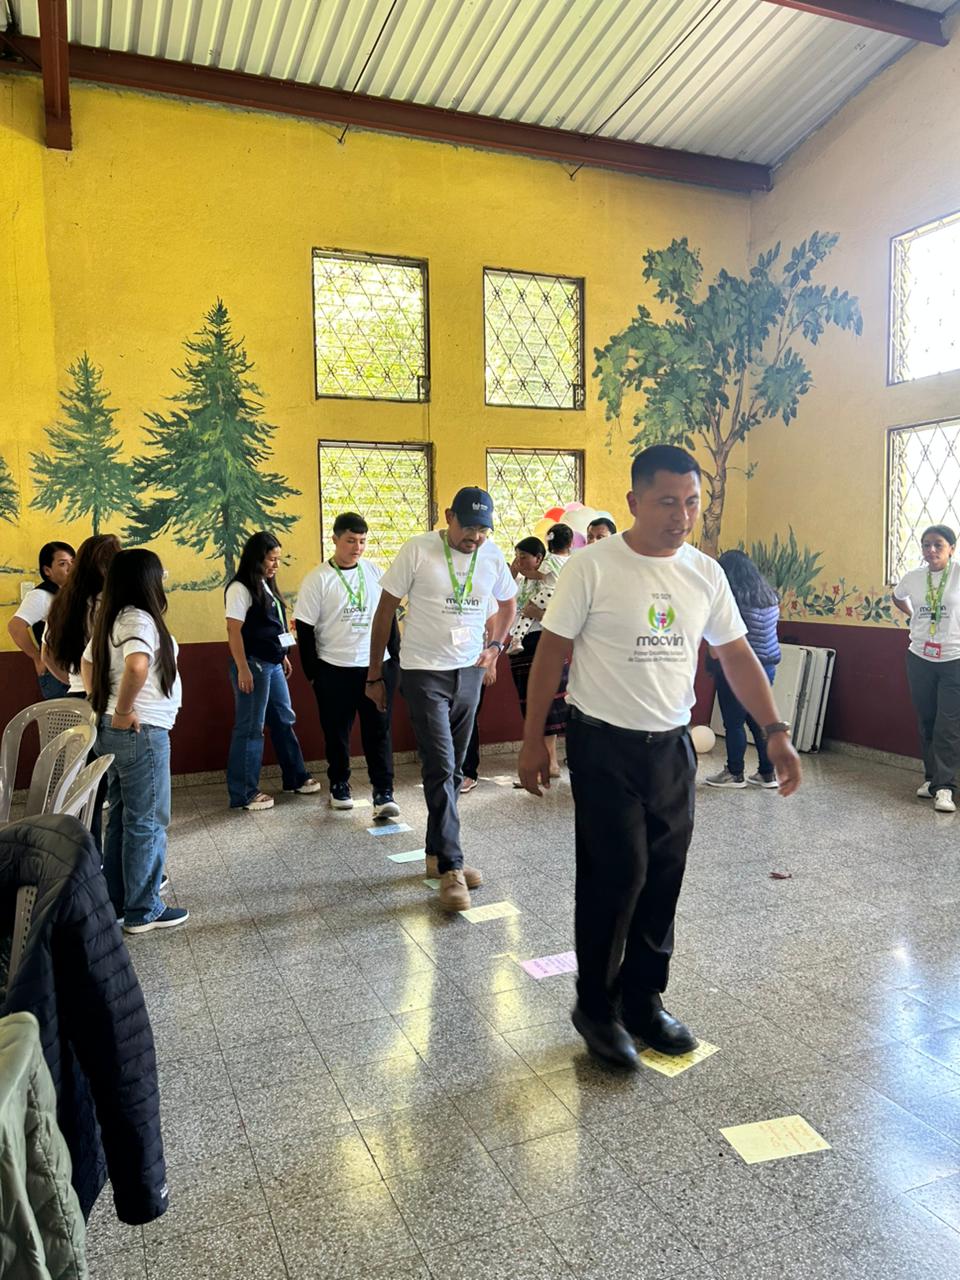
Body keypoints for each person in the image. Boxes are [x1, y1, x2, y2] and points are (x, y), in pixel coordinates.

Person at [518, 445, 802, 1070]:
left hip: (672, 747)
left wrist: (774, 730)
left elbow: (736, 655)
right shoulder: (592, 567)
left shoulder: (705, 573)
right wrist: (533, 736)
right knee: (616, 873)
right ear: (634, 502)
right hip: (603, 743)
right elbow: (551, 652)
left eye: (692, 502)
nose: (682, 516)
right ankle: (595, 1006)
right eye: (668, 501)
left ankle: (643, 1000)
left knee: (664, 874)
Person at [366, 488, 517, 911]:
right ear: (449, 516)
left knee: (453, 771)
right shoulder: (417, 550)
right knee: (440, 764)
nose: (475, 537)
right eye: (468, 527)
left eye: (483, 529)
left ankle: (436, 854)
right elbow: (385, 611)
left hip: (469, 672)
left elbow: (508, 605)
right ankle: (453, 867)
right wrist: (375, 673)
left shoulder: (491, 555)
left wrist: (496, 647)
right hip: (422, 671)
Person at [83, 549, 187, 934]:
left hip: (117, 731)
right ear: (146, 581)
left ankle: (118, 901)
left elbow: (87, 662)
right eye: (160, 575)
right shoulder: (138, 618)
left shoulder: (113, 618)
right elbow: (137, 665)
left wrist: (102, 702)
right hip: (140, 734)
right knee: (148, 819)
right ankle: (144, 908)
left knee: (124, 816)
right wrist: (123, 709)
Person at [294, 512, 399, 819]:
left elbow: (388, 617)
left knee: (379, 731)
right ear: (335, 539)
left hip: (375, 668)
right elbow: (305, 630)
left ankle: (383, 792)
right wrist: (314, 675)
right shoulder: (318, 579)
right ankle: (339, 784)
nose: (358, 547)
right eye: (351, 540)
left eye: (362, 541)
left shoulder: (374, 572)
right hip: (334, 669)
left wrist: (395, 659)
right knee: (337, 732)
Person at [225, 532, 321, 811]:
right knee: (251, 727)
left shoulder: (266, 585)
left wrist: (283, 656)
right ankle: (244, 793)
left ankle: (295, 777)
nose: (276, 565)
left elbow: (273, 626)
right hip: (253, 664)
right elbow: (233, 631)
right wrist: (243, 668)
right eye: (271, 559)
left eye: (278, 559)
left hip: (273, 662)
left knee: (283, 718)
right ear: (256, 559)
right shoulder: (239, 588)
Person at [893, 524, 960, 813]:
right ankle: (932, 779)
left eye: (938, 545)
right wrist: (912, 615)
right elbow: (897, 596)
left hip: (954, 659)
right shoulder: (913, 577)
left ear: (951, 549)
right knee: (927, 721)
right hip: (919, 657)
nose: (931, 550)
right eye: (926, 544)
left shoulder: (957, 574)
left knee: (948, 725)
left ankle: (946, 787)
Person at [705, 550, 782, 789]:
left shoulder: (731, 600)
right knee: (758, 720)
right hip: (767, 666)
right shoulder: (769, 597)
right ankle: (767, 774)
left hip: (737, 668)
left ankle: (734, 773)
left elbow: (716, 649)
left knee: (734, 722)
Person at [507, 537, 567, 779]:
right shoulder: (520, 582)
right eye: (517, 556)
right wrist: (512, 574)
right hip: (520, 646)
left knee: (547, 703)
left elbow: (563, 616)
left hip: (544, 643)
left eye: (524, 557)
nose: (519, 561)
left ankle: (551, 763)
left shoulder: (551, 582)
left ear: (539, 558)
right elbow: (503, 603)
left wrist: (538, 613)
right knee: (530, 704)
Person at [42, 534, 120, 698]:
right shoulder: (112, 603)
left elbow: (46, 655)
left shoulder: (62, 602)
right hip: (110, 693)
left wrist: (74, 681)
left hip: (76, 692)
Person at [7, 541, 75, 699]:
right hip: (56, 676)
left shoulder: (71, 595)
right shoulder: (41, 595)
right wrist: (37, 657)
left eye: (73, 562)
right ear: (47, 570)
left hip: (74, 672)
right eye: (63, 563)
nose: (70, 568)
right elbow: (15, 627)